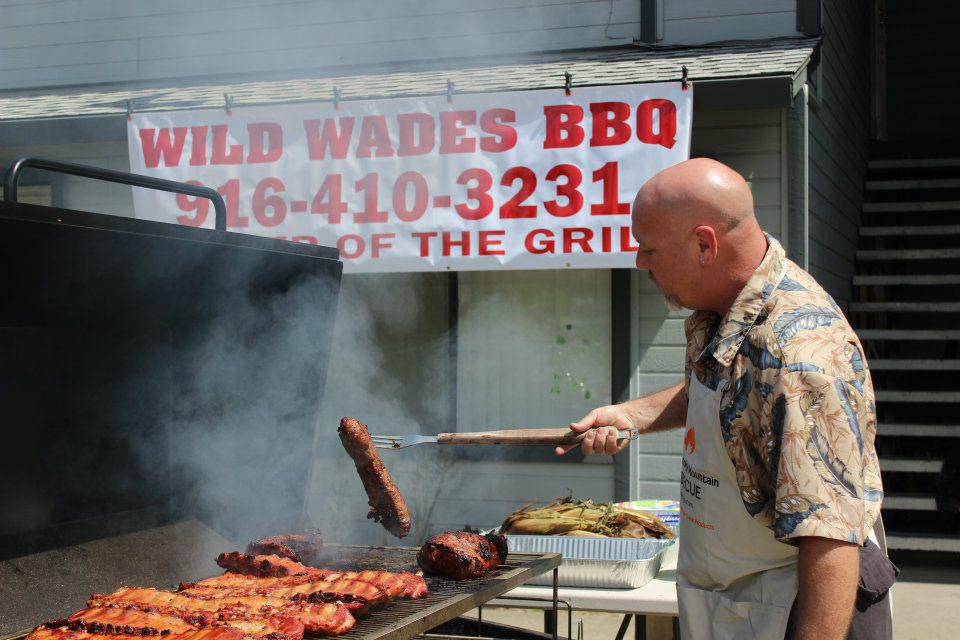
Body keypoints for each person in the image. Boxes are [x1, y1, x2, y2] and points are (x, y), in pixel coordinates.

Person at [559, 158, 895, 639]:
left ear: (703, 244)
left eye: (649, 248)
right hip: (741, 602)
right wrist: (633, 414)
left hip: (797, 611)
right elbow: (731, 389)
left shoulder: (797, 360)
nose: (640, 262)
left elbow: (830, 540)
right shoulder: (733, 308)